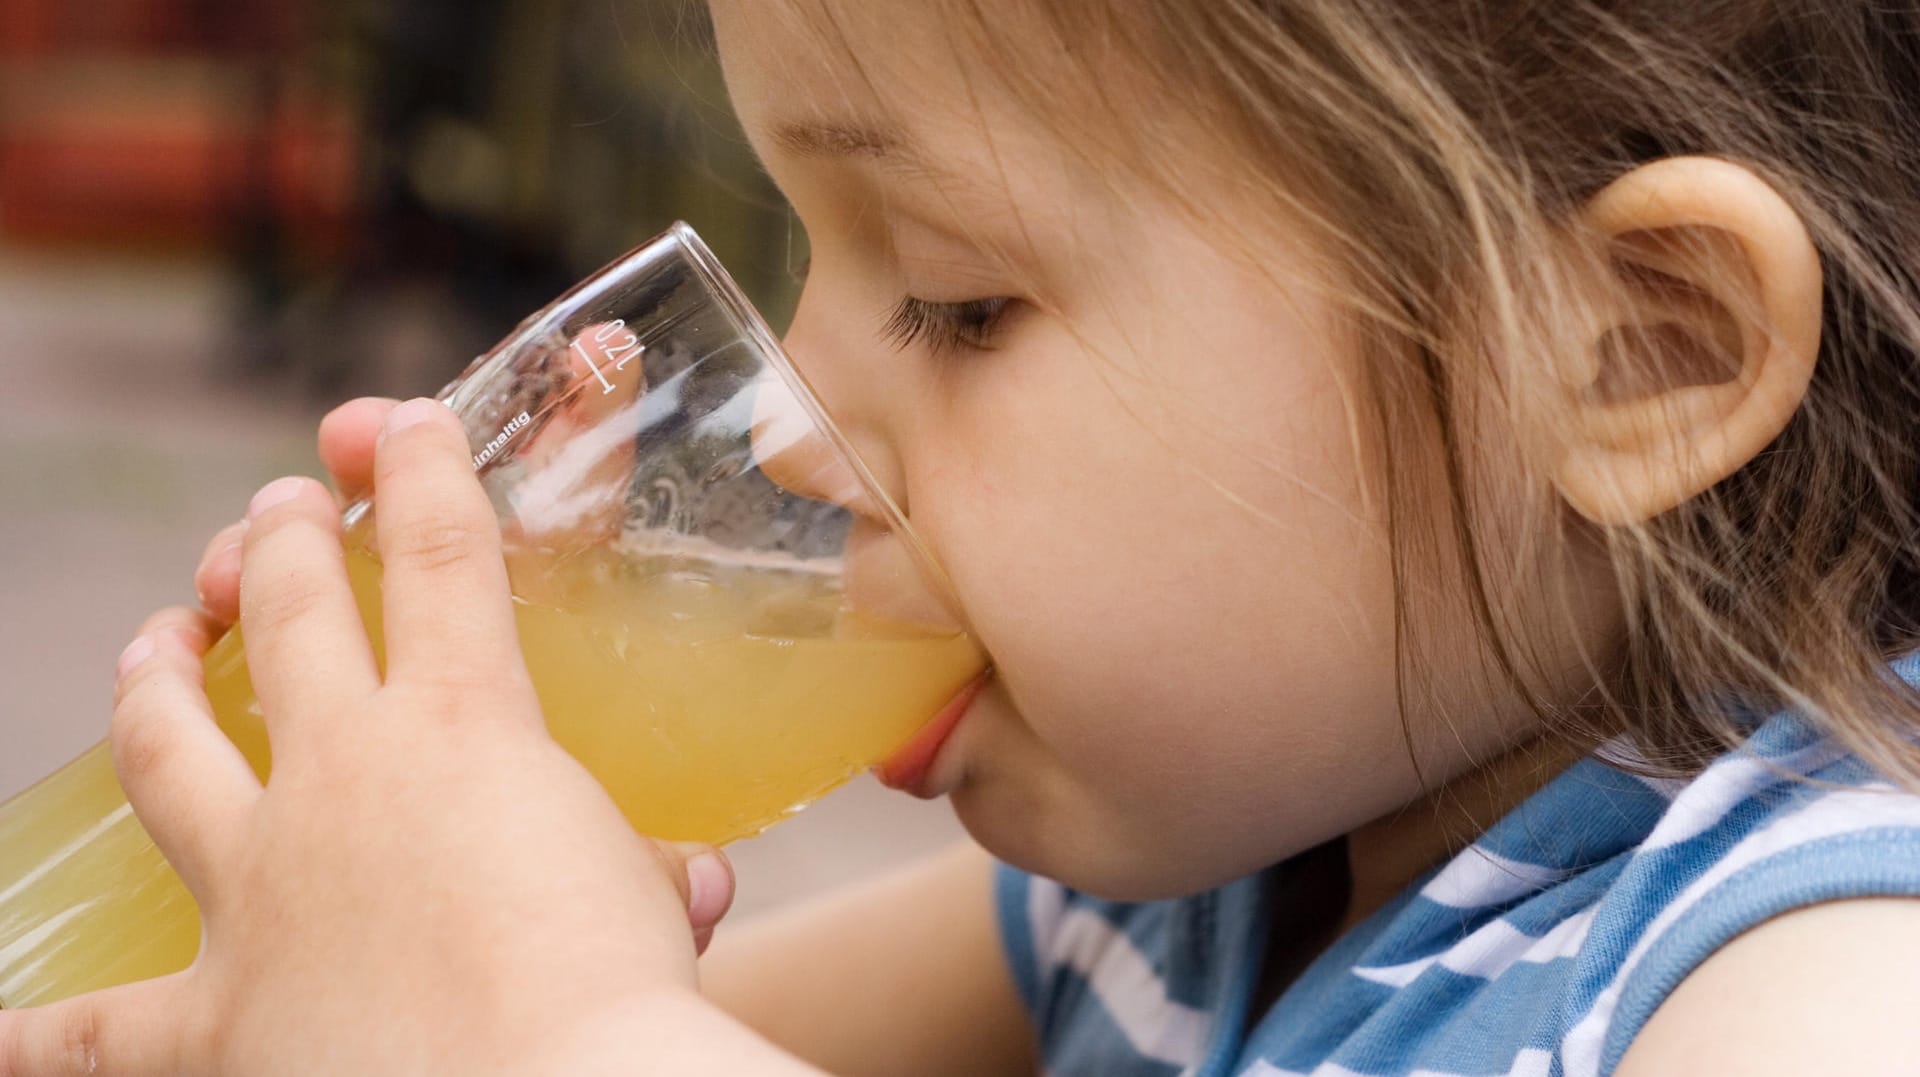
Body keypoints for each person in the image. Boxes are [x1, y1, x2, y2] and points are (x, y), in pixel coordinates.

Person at [9, 1, 1920, 1073]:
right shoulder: (1201, 876)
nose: (793, 431)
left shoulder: (1812, 973)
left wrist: (553, 1039)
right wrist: (401, 915)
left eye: (957, 298)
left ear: (1631, 357)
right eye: (797, 257)